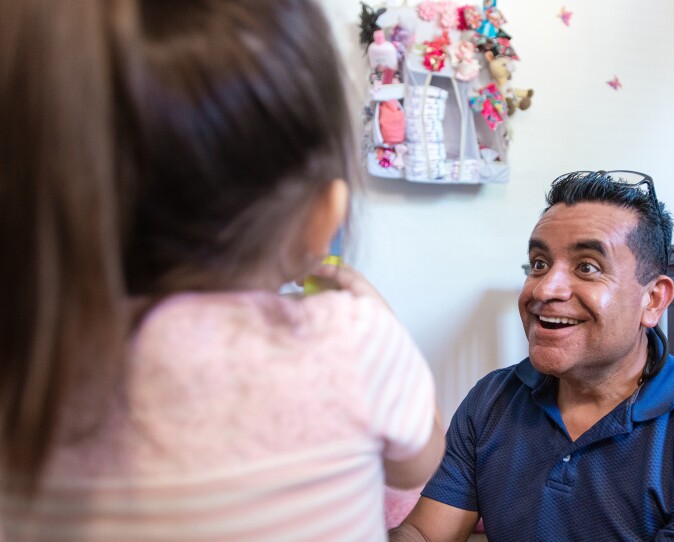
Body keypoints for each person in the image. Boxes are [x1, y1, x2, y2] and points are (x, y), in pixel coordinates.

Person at [0, 0, 444, 539]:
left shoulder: (25, 364)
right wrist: (377, 319)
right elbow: (420, 464)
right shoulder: (353, 341)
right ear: (323, 220)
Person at [391, 170, 674, 541]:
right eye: (539, 264)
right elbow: (425, 531)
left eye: (587, 267)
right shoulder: (491, 399)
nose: (545, 290)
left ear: (653, 299)